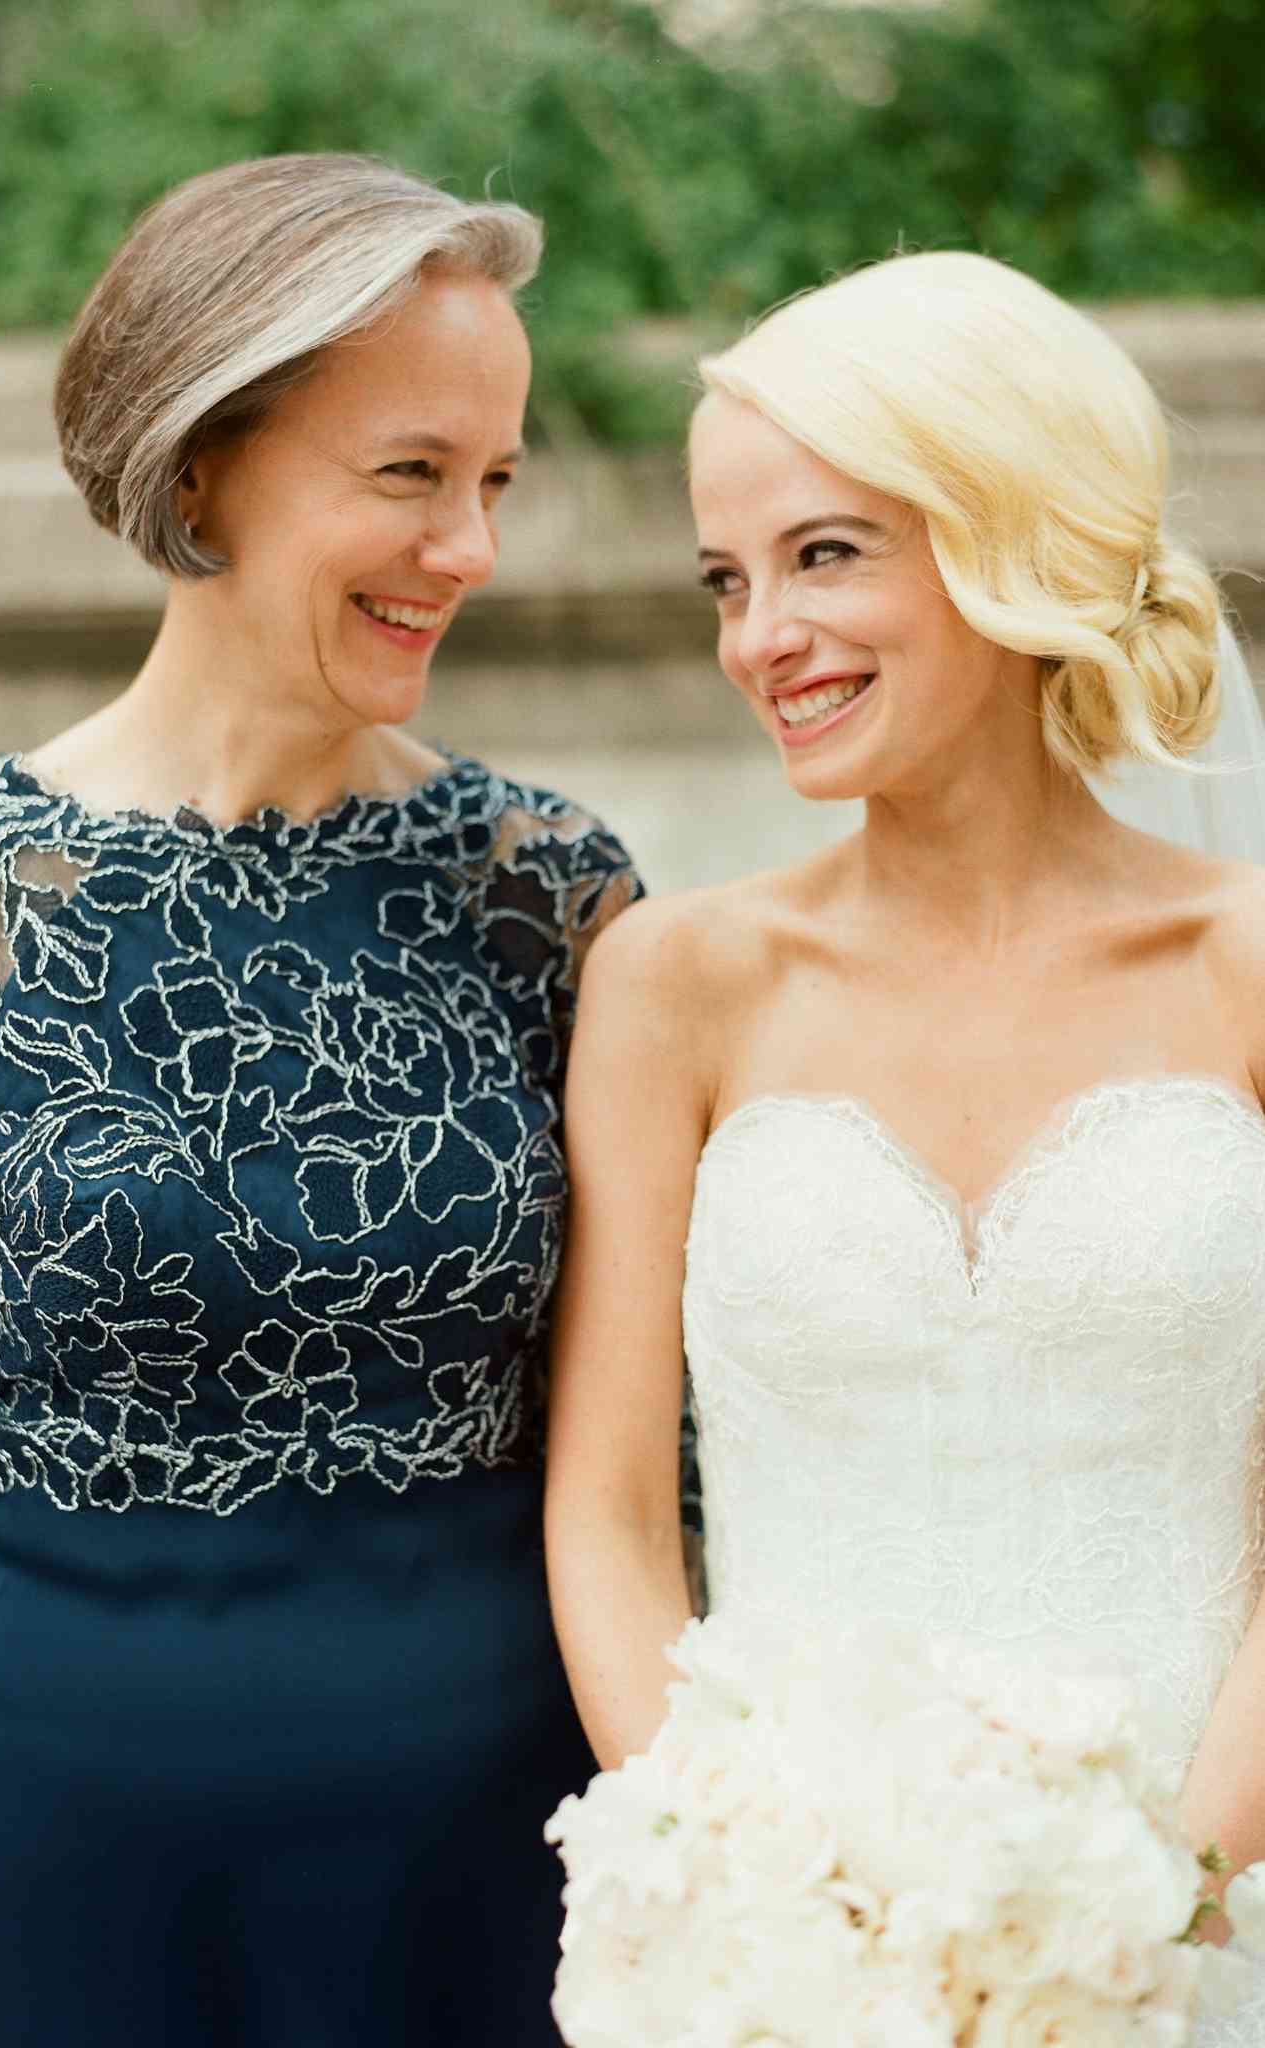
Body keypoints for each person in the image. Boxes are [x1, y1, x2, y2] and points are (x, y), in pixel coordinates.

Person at [0, 153, 643, 2048]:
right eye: (410, 474)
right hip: (79, 1843)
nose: (472, 547)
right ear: (197, 470)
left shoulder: (550, 890)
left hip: (506, 1840)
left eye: (492, 481)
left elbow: (657, 1439)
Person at [544, 251, 1265, 2043]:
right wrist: (742, 1903)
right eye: (728, 577)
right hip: (780, 1963)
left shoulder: (1246, 965)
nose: (757, 637)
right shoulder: (674, 984)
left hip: (1205, 1929)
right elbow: (614, 1516)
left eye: (826, 555)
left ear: (1007, 536)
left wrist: (1143, 1922)